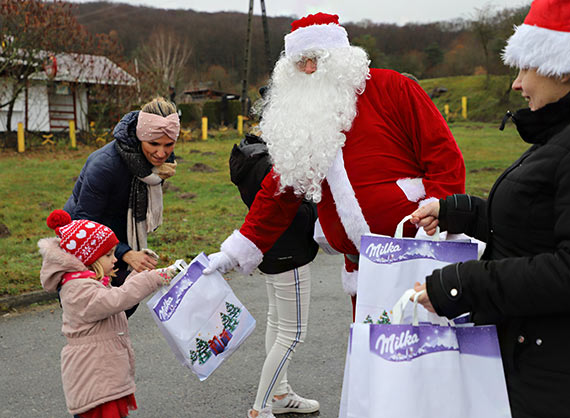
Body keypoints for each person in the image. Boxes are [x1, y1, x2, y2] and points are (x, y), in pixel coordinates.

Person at [204, 12, 466, 318]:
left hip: (418, 254)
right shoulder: (304, 123)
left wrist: (440, 210)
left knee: (431, 356)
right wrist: (234, 252)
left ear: (341, 56)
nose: (310, 68)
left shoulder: (393, 88)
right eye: (301, 62)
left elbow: (443, 155)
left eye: (317, 57)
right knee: (374, 357)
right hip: (362, 270)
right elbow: (280, 193)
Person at [410, 1, 570, 416]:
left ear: (562, 67)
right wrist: (459, 212)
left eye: (524, 68)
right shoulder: (553, 138)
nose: (516, 84)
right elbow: (535, 225)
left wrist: (464, 283)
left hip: (551, 372)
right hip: (531, 354)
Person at [38, 209, 176, 418]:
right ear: (88, 258)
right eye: (108, 255)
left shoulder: (90, 284)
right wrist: (154, 278)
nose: (115, 260)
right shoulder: (77, 290)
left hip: (104, 377)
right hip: (95, 380)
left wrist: (139, 272)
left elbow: (118, 297)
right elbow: (117, 300)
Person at [230, 128, 320, 418]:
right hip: (289, 252)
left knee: (278, 321)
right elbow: (293, 211)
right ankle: (262, 407)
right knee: (293, 335)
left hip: (270, 249)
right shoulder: (276, 161)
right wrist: (313, 211)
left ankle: (279, 394)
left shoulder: (252, 153)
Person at [64, 97, 179, 317]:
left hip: (115, 236)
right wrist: (125, 253)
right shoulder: (104, 166)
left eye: (168, 144)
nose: (162, 153)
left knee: (122, 312)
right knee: (94, 324)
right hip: (82, 247)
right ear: (139, 137)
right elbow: (84, 223)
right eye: (153, 144)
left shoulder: (156, 165)